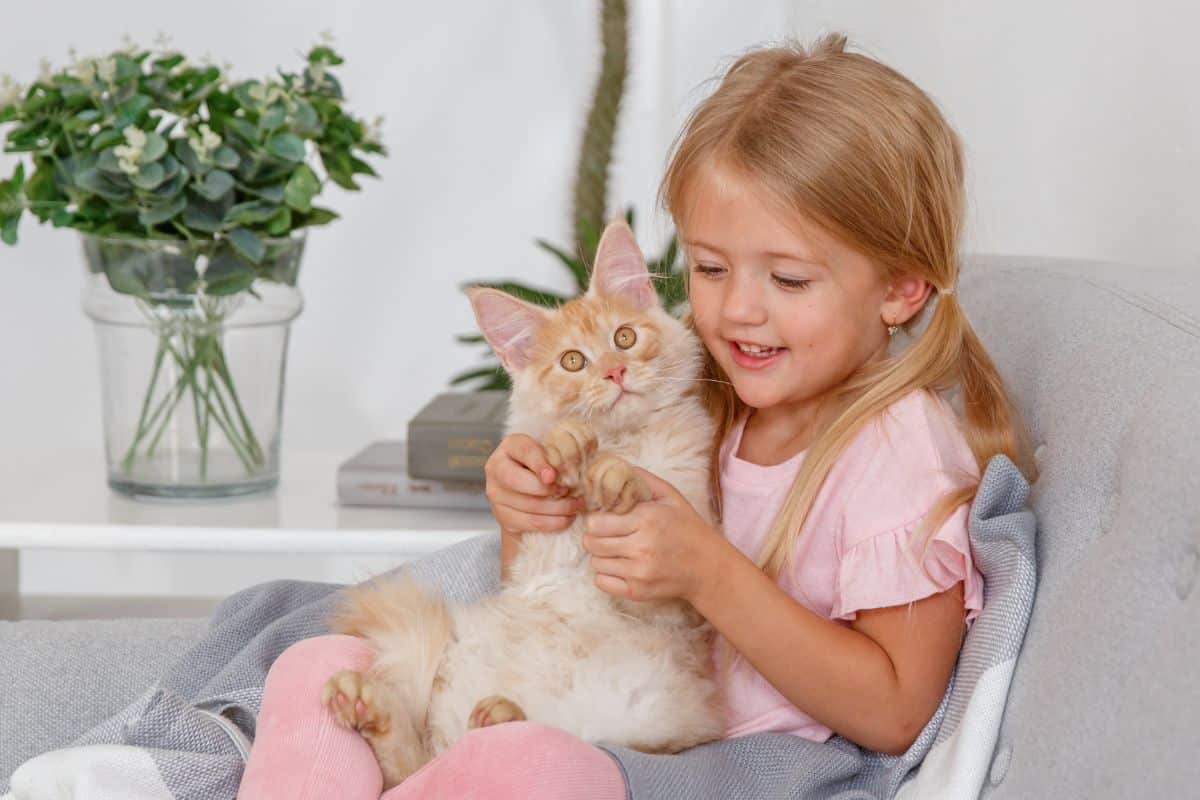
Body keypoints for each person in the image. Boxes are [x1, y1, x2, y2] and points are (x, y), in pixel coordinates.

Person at [237, 31, 1037, 799]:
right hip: (594, 691)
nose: (739, 312)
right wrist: (532, 514)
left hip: (748, 765)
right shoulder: (707, 404)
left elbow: (897, 713)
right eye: (711, 268)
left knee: (521, 770)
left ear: (900, 287)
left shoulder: (896, 452)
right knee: (317, 666)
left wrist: (709, 573)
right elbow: (558, 599)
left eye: (788, 280)